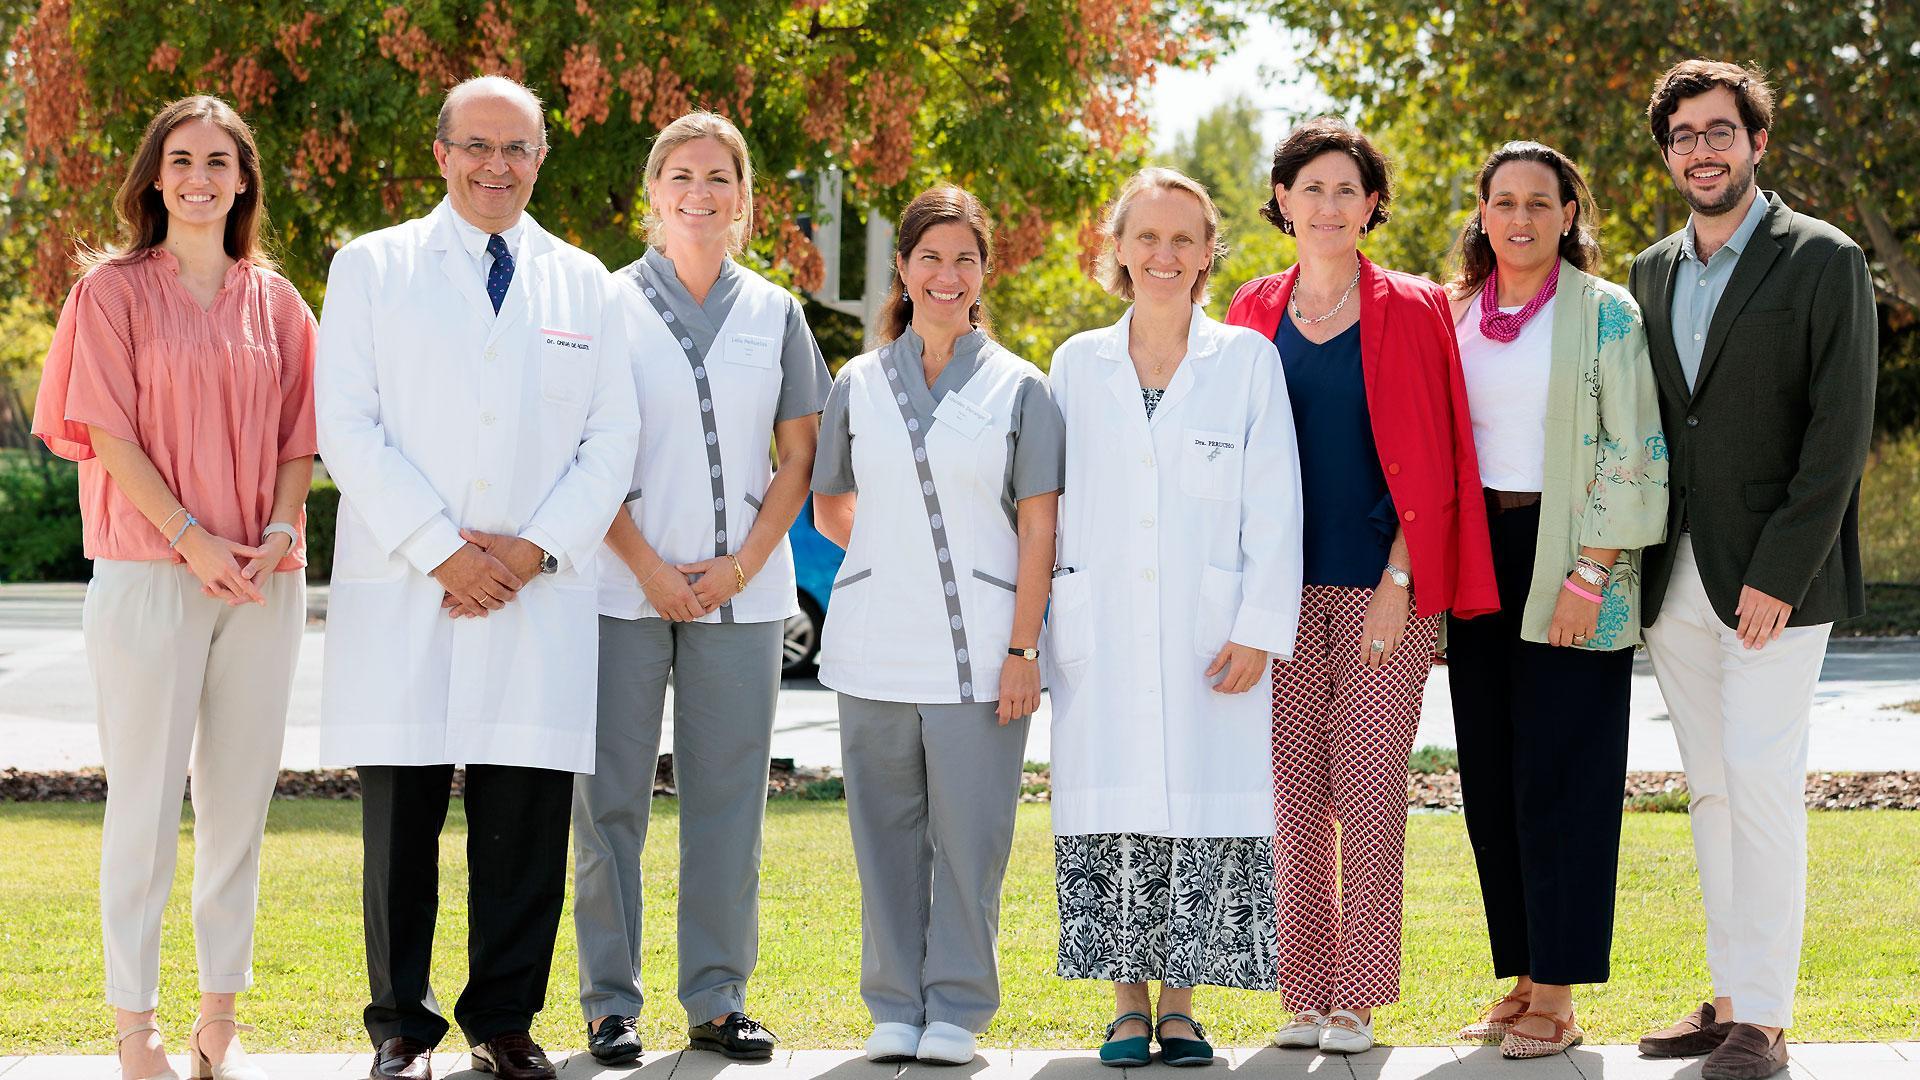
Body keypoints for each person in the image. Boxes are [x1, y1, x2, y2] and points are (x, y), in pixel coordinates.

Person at [314, 76, 639, 1080]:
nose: (495, 166)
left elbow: (610, 435)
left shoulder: (583, 280)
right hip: (409, 581)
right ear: (442, 152)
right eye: (477, 147)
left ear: (541, 159)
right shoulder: (372, 268)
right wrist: (443, 551)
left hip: (532, 592)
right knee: (400, 828)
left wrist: (529, 551)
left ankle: (504, 1022)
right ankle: (401, 1030)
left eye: (516, 149)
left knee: (525, 829)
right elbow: (347, 428)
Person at [32, 94, 314, 1080]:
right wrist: (192, 538)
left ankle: (219, 1020)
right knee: (144, 805)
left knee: (239, 806)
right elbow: (107, 431)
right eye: (182, 159)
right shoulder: (108, 292)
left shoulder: (278, 304)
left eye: (219, 162)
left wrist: (277, 531)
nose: (200, 177)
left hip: (262, 582)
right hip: (151, 574)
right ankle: (134, 1030)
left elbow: (298, 443)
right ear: (154, 175)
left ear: (243, 182)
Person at [1224, 117, 1498, 1055]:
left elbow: (1443, 452)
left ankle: (1359, 996)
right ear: (1283, 203)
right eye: (1311, 188)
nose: (1329, 205)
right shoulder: (1250, 308)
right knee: (1293, 797)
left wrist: (1401, 577)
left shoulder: (1415, 306)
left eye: (1348, 189)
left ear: (1372, 204)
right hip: (1277, 596)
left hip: (1385, 587)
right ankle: (1302, 990)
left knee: (1372, 792)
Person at [1628, 59, 1876, 1080]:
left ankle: (1765, 1025)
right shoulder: (1649, 272)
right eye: (1683, 134)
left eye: (1719, 130)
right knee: (1714, 793)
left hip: (1778, 578)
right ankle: (1729, 999)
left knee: (1765, 787)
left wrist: (1779, 570)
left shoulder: (1822, 259)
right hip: (1674, 573)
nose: (1702, 149)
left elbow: (1840, 430)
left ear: (1756, 142)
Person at [572, 110, 829, 1066]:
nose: (700, 191)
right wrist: (646, 566)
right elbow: (579, 452)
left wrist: (741, 567)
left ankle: (719, 999)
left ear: (746, 200)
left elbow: (798, 453)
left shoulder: (776, 312)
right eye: (681, 175)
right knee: (609, 807)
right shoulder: (600, 304)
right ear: (652, 196)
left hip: (744, 598)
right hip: (617, 586)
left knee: (728, 802)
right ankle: (609, 1004)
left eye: (720, 176)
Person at [1048, 167, 1303, 1069]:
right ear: (1118, 248)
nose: (1165, 255)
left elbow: (1275, 505)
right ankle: (1125, 1008)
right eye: (1147, 238)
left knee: (1202, 799)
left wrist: (1259, 626)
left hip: (1214, 635)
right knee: (1115, 803)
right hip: (1102, 631)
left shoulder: (1245, 361)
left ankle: (1184, 1008)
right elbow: (1051, 504)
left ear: (1207, 255)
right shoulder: (1077, 363)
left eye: (1183, 240)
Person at [810, 184, 1064, 1066]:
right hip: (872, 644)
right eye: (931, 257)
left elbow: (1040, 526)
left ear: (984, 271)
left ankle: (956, 1007)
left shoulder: (1020, 387)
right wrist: (891, 556)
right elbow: (832, 505)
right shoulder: (857, 381)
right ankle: (893, 1005)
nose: (947, 274)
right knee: (881, 835)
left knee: (971, 839)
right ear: (904, 270)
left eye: (964, 258)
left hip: (985, 652)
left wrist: (1024, 647)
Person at [1441, 142, 1668, 1059]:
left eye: (1542, 201)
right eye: (1505, 201)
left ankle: (1562, 996)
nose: (1522, 217)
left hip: (1572, 552)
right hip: (1476, 559)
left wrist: (1590, 572)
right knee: (1493, 777)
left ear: (1570, 215)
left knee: (1563, 777)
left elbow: (1634, 447)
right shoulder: (1453, 312)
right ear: (1483, 214)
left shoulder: (1605, 313)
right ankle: (1524, 977)